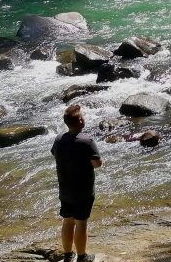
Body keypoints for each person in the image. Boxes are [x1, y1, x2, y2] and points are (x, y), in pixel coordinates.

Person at [51, 104, 102, 262]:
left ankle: (68, 255)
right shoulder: (87, 142)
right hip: (83, 191)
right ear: (80, 121)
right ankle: (82, 256)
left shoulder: (59, 139)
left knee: (67, 221)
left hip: (65, 190)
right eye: (83, 116)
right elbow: (97, 164)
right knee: (81, 223)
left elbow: (55, 154)